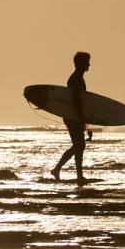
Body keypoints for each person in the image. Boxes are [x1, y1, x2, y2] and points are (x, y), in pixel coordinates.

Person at [52, 52, 92, 182]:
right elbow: (76, 101)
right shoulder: (76, 79)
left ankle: (78, 175)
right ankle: (57, 169)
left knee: (79, 145)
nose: (89, 64)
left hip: (74, 116)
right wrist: (81, 118)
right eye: (86, 62)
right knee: (79, 144)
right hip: (73, 116)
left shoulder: (78, 78)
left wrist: (83, 120)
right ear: (80, 63)